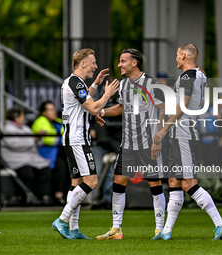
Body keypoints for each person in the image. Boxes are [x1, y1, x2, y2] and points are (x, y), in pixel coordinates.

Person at [153, 44, 222, 240]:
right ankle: (166, 231)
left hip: (184, 135)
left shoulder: (189, 76)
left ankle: (220, 224)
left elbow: (183, 105)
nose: (176, 59)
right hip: (180, 135)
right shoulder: (198, 74)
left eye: (177, 56)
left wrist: (164, 129)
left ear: (184, 56)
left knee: (188, 183)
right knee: (174, 182)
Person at [95, 48, 166, 240]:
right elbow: (120, 108)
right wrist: (99, 112)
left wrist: (158, 137)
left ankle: (160, 229)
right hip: (128, 145)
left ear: (134, 63)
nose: (119, 65)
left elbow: (163, 110)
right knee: (118, 183)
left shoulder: (151, 83)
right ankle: (116, 229)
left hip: (148, 143)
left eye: (123, 61)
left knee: (154, 183)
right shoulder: (124, 85)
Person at [52, 48, 119, 239]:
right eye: (93, 62)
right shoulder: (75, 82)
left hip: (72, 138)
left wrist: (96, 84)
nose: (95, 66)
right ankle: (62, 220)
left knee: (77, 183)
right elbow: (93, 106)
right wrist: (107, 94)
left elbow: (84, 102)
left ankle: (73, 229)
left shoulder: (74, 82)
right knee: (92, 182)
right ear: (83, 63)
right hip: (78, 140)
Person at [1, 106, 52, 205]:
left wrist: (37, 139)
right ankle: (26, 199)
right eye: (22, 115)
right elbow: (14, 144)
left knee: (45, 169)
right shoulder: (7, 128)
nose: (24, 117)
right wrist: (34, 139)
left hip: (30, 157)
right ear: (16, 117)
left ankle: (42, 197)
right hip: (15, 159)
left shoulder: (26, 128)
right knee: (27, 173)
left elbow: (35, 144)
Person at [32, 101, 69, 205]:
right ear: (44, 112)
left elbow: (68, 133)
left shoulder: (58, 121)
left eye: (54, 109)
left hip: (60, 151)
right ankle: (58, 195)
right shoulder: (40, 121)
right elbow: (48, 140)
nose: (54, 112)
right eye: (50, 109)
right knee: (60, 166)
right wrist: (63, 140)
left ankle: (66, 195)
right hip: (45, 153)